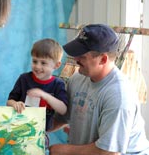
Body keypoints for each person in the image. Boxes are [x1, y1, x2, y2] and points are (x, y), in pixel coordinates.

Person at [49, 24, 149, 155]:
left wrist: (63, 150)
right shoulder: (77, 78)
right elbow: (62, 118)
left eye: (82, 56)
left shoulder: (119, 96)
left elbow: (108, 152)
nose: (75, 59)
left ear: (103, 59)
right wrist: (31, 123)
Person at [7, 38, 68, 132]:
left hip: (42, 133)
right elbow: (9, 101)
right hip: (19, 128)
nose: (38, 66)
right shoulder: (24, 79)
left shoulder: (58, 84)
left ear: (57, 65)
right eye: (35, 61)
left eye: (43, 63)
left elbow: (63, 109)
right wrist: (15, 104)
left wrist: (44, 95)